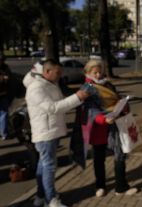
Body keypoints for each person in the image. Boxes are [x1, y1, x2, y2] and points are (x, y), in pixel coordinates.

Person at [24, 59, 89, 207]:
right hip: (45, 133)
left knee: (44, 165)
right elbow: (52, 108)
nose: (60, 75)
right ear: (47, 72)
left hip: (51, 130)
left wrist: (80, 94)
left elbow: (58, 104)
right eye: (57, 72)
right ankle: (50, 200)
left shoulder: (49, 84)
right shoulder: (36, 87)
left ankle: (41, 196)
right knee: (49, 166)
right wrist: (77, 97)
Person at [78, 59, 137, 197]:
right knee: (99, 158)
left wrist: (123, 105)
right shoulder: (86, 88)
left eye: (100, 71)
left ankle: (121, 187)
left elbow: (116, 100)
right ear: (88, 73)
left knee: (120, 155)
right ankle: (100, 186)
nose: (99, 74)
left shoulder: (108, 85)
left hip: (115, 126)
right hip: (99, 128)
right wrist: (104, 119)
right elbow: (89, 110)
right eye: (95, 72)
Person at [0, 55, 13, 140]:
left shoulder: (5, 67)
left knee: (3, 114)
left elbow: (9, 77)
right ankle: (4, 133)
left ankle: (4, 133)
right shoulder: (5, 68)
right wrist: (3, 78)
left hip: (3, 94)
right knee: (3, 114)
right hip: (3, 93)